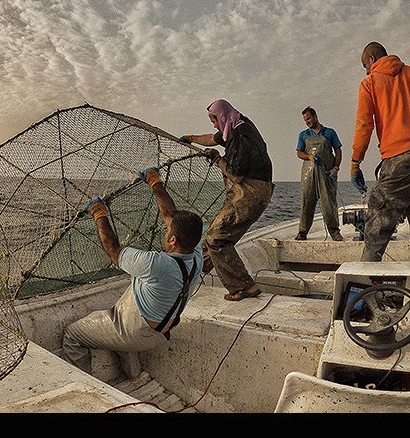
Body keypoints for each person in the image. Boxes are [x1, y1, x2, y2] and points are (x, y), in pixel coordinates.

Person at [61, 167, 203, 377]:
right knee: (124, 305)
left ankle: (80, 384)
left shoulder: (156, 264)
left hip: (133, 333)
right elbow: (170, 216)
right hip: (160, 334)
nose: (165, 232)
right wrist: (155, 183)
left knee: (72, 335)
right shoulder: (196, 256)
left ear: (172, 240)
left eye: (168, 233)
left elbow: (113, 250)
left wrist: (99, 213)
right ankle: (133, 375)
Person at [350, 41, 410, 262]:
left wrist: (355, 163)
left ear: (371, 61)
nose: (366, 71)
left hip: (398, 160)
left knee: (376, 229)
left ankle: (364, 289)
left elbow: (364, 127)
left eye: (365, 66)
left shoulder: (370, 83)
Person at [180, 99, 274, 301]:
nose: (213, 125)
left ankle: (244, 287)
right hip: (251, 192)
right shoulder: (237, 124)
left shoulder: (240, 136)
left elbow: (235, 173)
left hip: (250, 192)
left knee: (217, 238)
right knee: (214, 230)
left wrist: (216, 159)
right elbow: (212, 139)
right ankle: (191, 272)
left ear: (220, 117)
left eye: (213, 120)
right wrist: (190, 138)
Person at [295, 106, 344, 241]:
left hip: (327, 173)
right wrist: (310, 157)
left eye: (309, 118)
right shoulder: (303, 135)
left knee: (329, 202)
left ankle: (335, 232)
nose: (307, 122)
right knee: (307, 202)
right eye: (305, 120)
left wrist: (335, 168)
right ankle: (302, 233)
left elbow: (338, 151)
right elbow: (299, 153)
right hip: (309, 174)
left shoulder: (329, 133)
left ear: (315, 116)